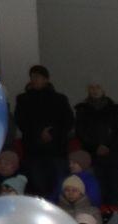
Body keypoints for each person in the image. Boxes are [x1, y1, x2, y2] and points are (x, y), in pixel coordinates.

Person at [15, 65, 74, 199]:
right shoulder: (23, 99)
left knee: (59, 187)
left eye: (38, 77)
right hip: (34, 151)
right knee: (37, 187)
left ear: (46, 79)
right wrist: (38, 133)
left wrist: (52, 133)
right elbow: (21, 121)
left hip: (56, 150)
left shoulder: (60, 99)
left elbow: (68, 121)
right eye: (32, 77)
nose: (35, 80)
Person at [74, 83, 118, 203]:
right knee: (95, 191)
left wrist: (108, 147)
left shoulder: (114, 110)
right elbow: (81, 132)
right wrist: (95, 147)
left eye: (97, 87)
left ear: (103, 90)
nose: (94, 91)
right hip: (92, 157)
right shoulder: (82, 110)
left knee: (112, 191)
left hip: (112, 157)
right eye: (91, 88)